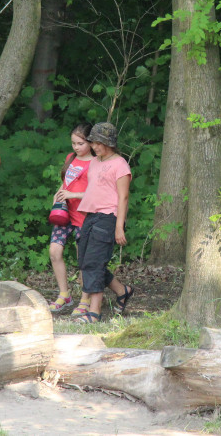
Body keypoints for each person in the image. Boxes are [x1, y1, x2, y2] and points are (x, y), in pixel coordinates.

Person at [73, 122, 134, 323]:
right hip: (90, 217)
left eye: (99, 143)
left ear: (109, 143)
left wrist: (119, 227)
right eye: (93, 142)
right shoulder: (95, 162)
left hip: (108, 218)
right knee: (85, 261)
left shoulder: (120, 165)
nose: (94, 147)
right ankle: (122, 291)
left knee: (95, 263)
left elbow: (123, 197)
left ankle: (94, 312)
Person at [47, 123, 94, 313]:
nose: (76, 147)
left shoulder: (96, 163)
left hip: (83, 216)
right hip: (64, 214)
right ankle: (64, 294)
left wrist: (72, 195)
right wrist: (58, 194)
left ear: (90, 142)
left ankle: (85, 299)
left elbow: (97, 192)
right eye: (73, 143)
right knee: (54, 251)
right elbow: (65, 182)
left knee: (82, 259)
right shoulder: (71, 158)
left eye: (80, 143)